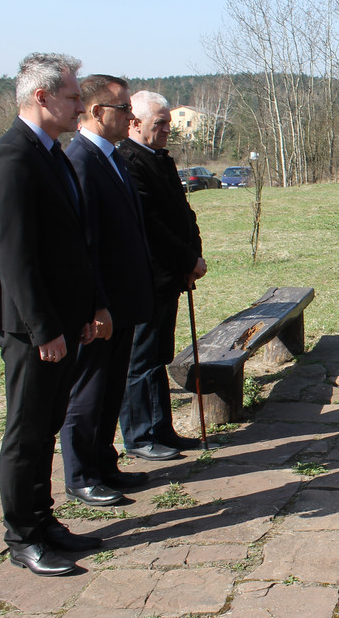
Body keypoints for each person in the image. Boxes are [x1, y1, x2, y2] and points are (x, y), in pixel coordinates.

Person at [0, 53, 104, 576]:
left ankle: (44, 519)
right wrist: (44, 328)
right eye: (75, 96)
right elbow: (15, 255)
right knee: (27, 432)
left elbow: (74, 243)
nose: (81, 106)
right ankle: (23, 537)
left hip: (62, 320)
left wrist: (88, 306)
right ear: (42, 96)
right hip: (33, 326)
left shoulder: (51, 153)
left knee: (48, 425)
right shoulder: (10, 157)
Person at [59, 75, 155, 507]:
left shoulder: (112, 156)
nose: (131, 117)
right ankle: (80, 474)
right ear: (97, 113)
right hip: (100, 303)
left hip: (123, 299)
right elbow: (85, 243)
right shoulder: (80, 159)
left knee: (111, 386)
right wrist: (96, 303)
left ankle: (104, 463)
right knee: (89, 390)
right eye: (122, 109)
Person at [118, 91, 206, 461]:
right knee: (141, 360)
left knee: (160, 356)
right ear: (135, 123)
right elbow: (150, 224)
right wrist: (186, 258)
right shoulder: (129, 161)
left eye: (169, 122)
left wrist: (195, 252)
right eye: (161, 123)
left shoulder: (161, 159)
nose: (168, 129)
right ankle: (140, 435)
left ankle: (162, 429)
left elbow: (182, 212)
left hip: (172, 275)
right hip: (148, 276)